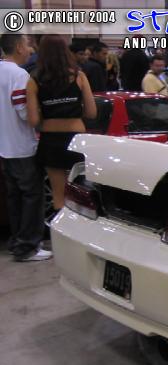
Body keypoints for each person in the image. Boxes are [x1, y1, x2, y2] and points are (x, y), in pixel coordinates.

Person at [26, 34, 97, 226]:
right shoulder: (79, 76)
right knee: (81, 194)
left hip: (51, 142)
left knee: (59, 196)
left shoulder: (34, 80)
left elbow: (33, 120)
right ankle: (82, 233)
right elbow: (91, 112)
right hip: (77, 140)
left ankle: (61, 235)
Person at [0, 34, 51, 262]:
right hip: (22, 145)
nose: (31, 49)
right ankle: (29, 246)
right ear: (19, 47)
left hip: (4, 146)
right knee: (32, 196)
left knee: (14, 197)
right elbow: (24, 112)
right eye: (28, 45)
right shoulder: (19, 75)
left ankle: (17, 242)